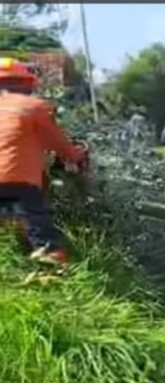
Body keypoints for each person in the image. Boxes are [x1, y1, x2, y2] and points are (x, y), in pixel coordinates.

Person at [0, 57, 88, 270]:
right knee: (40, 228)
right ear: (25, 83)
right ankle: (52, 269)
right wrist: (78, 156)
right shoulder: (34, 106)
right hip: (19, 178)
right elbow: (58, 143)